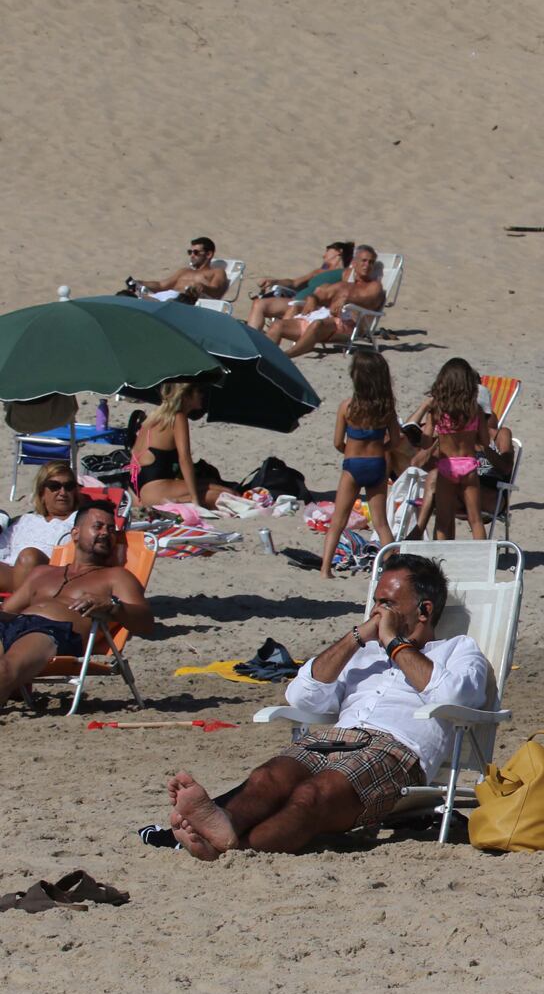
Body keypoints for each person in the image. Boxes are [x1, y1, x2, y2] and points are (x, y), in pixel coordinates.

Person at [165, 553, 493, 859]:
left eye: (388, 604)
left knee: (312, 796)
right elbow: (302, 696)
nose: (378, 613)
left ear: (424, 610)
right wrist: (354, 639)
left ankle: (235, 847)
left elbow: (456, 697)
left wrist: (395, 644)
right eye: (376, 602)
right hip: (336, 737)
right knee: (269, 777)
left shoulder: (457, 650)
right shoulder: (362, 652)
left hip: (394, 751)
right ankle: (223, 823)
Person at [0, 501, 152, 706]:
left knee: (4, 669)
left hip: (53, 632)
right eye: (97, 526)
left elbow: (146, 623)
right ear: (75, 534)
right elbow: (6, 612)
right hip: (14, 626)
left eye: (111, 529)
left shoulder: (116, 577)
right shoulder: (42, 573)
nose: (106, 533)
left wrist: (113, 606)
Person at [321, 353, 404, 577]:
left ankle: (325, 569)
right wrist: (382, 449)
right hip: (377, 464)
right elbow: (396, 441)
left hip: (353, 465)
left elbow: (338, 442)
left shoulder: (347, 407)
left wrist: (349, 451)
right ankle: (393, 568)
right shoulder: (386, 409)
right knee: (381, 523)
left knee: (338, 520)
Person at [410, 358, 491, 540]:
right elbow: (485, 441)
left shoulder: (438, 411)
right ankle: (482, 561)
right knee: (475, 519)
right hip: (469, 466)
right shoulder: (475, 410)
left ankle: (442, 558)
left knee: (443, 521)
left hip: (447, 467)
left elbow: (425, 443)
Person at [129, 382, 237, 510]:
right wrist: (195, 499)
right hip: (155, 489)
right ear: (186, 395)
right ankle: (180, 501)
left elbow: (134, 454)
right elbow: (184, 459)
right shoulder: (178, 417)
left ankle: (178, 500)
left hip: (137, 490)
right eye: (199, 391)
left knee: (214, 486)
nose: (203, 395)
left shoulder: (154, 417)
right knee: (228, 495)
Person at [266, 245, 385, 359]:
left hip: (347, 325)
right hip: (322, 320)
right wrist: (313, 299)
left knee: (318, 324)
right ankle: (263, 356)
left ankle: (287, 356)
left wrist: (347, 300)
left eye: (371, 262)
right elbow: (321, 294)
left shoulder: (374, 286)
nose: (367, 265)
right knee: (277, 325)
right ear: (354, 263)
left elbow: (370, 300)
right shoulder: (343, 286)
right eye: (364, 261)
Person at [0, 462, 82, 592]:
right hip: (14, 572)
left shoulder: (81, 520)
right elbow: (2, 550)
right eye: (54, 486)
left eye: (69, 486)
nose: (63, 492)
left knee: (29, 556)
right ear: (42, 492)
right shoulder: (26, 520)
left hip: (52, 577)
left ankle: (16, 606)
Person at [246, 241, 354, 330]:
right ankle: (251, 339)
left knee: (280, 318)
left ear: (339, 252)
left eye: (327, 250)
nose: (324, 255)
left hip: (312, 306)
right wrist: (275, 281)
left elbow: (347, 290)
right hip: (295, 301)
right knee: (259, 303)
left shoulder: (346, 272)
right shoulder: (318, 272)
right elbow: (294, 283)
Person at [124, 236, 228, 304]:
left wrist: (202, 287)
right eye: (189, 252)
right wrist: (139, 283)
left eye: (195, 252)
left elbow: (216, 292)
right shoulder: (184, 271)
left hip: (183, 302)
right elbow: (161, 285)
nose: (192, 255)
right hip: (164, 297)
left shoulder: (217, 272)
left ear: (209, 254)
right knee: (126, 296)